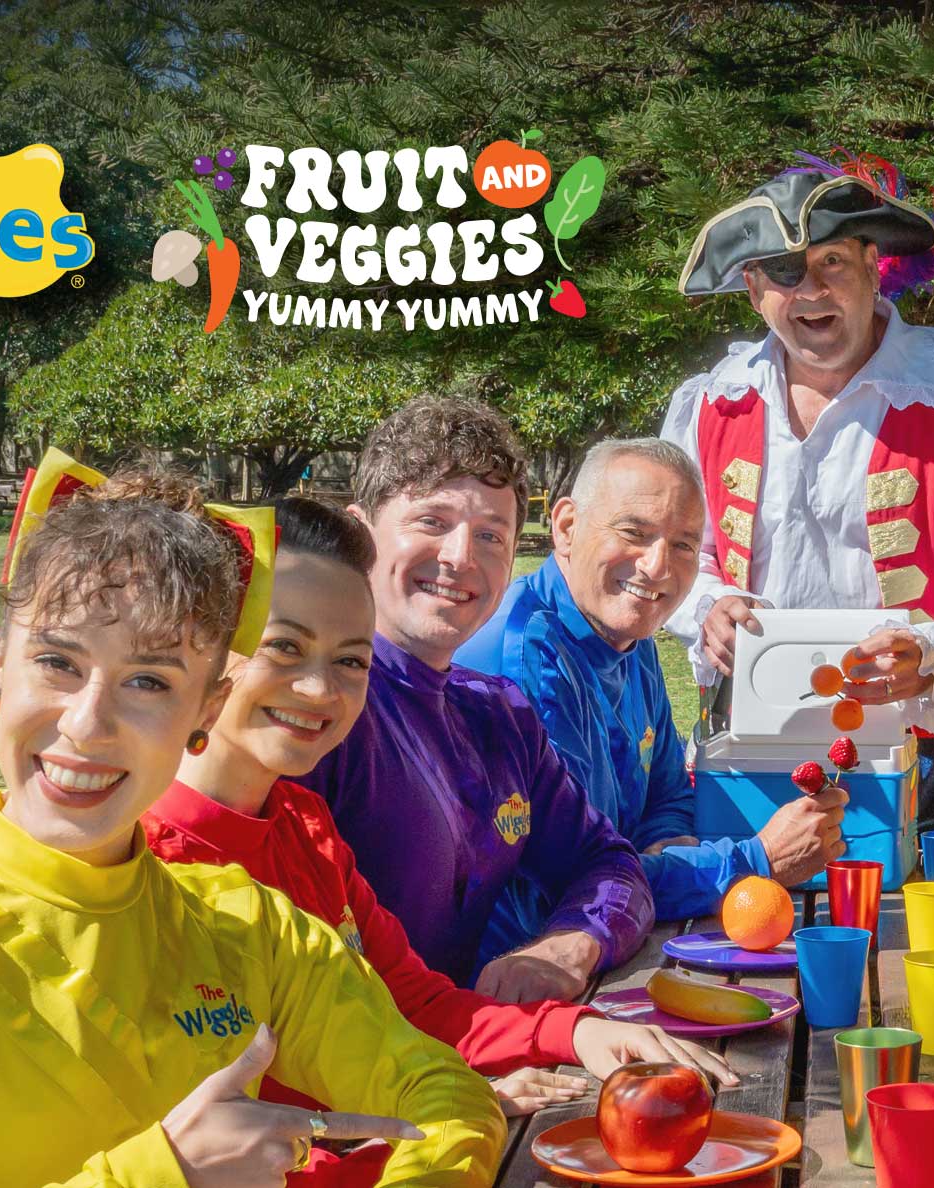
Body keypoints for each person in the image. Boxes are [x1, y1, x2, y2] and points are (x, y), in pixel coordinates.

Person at [0, 456, 502, 1188]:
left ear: (204, 710)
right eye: (57, 662)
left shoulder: (252, 928)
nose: (87, 722)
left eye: (148, 680)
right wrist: (163, 1171)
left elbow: (449, 1098)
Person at [147, 496, 736, 1180]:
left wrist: (573, 1030)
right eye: (284, 646)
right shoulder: (148, 862)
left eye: (351, 661)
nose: (318, 687)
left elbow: (412, 1003)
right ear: (207, 646)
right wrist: (438, 1114)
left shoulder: (303, 830)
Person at [660, 150, 934, 845]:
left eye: (832, 264)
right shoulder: (707, 405)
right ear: (753, 287)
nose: (811, 290)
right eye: (785, 273)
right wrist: (705, 609)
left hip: (923, 742)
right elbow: (673, 555)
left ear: (872, 264)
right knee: (752, 932)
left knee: (929, 937)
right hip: (756, 737)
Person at [305, 396, 651, 1004]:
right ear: (359, 534)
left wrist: (570, 943)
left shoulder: (500, 715)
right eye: (432, 522)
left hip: (466, 1051)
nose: (461, 558)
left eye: (491, 535)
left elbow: (610, 864)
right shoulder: (318, 715)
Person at [457, 439, 846, 933]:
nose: (658, 567)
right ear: (566, 527)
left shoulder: (629, 636)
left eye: (683, 544)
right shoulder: (526, 660)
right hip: (519, 974)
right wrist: (756, 859)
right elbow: (575, 881)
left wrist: (666, 845)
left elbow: (667, 795)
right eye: (634, 532)